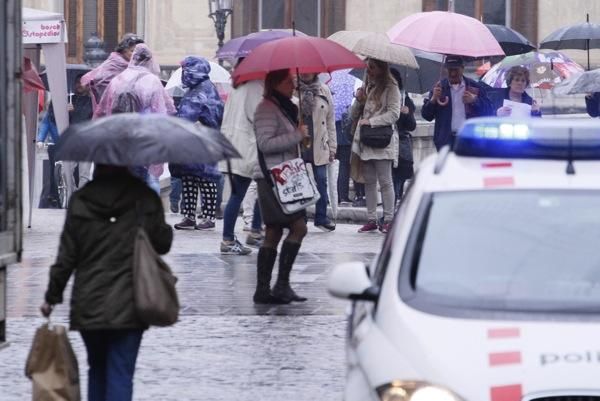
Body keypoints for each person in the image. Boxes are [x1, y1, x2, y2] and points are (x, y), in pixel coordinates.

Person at [40, 164, 173, 401]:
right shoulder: (143, 197)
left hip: (89, 302)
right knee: (121, 372)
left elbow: (67, 256)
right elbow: (163, 243)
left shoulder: (81, 200)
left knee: (97, 370)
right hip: (130, 303)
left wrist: (52, 296)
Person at [253, 69, 309, 304]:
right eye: (288, 82)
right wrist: (296, 136)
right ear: (275, 83)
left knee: (274, 231)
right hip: (272, 178)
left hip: (287, 177)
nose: (293, 85)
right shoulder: (266, 108)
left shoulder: (285, 106)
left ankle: (267, 289)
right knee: (298, 227)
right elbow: (265, 144)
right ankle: (278, 285)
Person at [95, 44, 175, 193]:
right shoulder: (152, 80)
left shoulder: (119, 79)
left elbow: (103, 107)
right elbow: (165, 109)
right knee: (151, 178)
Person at [170, 56, 224, 231]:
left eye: (187, 70)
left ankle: (209, 217)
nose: (184, 74)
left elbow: (215, 116)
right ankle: (189, 216)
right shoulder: (193, 90)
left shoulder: (207, 89)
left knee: (206, 179)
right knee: (188, 178)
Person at [218, 66, 265, 254]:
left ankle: (253, 231)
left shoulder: (236, 87)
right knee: (251, 191)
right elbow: (259, 117)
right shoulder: (254, 87)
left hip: (233, 145)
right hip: (247, 147)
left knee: (255, 190)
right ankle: (230, 239)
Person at [351, 58, 400, 234]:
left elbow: (394, 114)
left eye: (372, 67)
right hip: (366, 139)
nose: (369, 71)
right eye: (368, 67)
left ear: (381, 68)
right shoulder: (368, 87)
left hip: (382, 139)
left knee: (385, 181)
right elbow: (355, 113)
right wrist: (359, 100)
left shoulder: (391, 87)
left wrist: (371, 122)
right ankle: (371, 218)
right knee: (369, 181)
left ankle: (388, 218)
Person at [421, 55, 493, 150]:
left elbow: (489, 111)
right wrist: (433, 99)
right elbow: (427, 116)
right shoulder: (439, 88)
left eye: (456, 70)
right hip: (445, 142)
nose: (453, 73)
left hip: (469, 140)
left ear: (462, 69)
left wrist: (474, 101)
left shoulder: (475, 87)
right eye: (450, 70)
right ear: (446, 69)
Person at [298, 72, 337, 232]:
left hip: (319, 143)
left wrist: (333, 147)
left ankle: (321, 216)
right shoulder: (293, 90)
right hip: (300, 142)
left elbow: (330, 120)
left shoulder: (324, 90)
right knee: (299, 181)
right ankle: (299, 217)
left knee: (321, 180)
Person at [81, 33, 145, 111]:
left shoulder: (137, 67)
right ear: (124, 50)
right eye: (132, 51)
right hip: (111, 108)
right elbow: (96, 79)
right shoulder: (113, 63)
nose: (135, 55)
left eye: (138, 52)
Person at [327, 69, 356, 205]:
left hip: (330, 129)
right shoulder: (351, 78)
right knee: (344, 165)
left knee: (329, 166)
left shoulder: (329, 79)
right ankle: (342, 195)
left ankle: (330, 195)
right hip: (345, 130)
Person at [390, 68, 416, 203]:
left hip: (400, 146)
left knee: (398, 177)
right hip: (385, 142)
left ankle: (396, 204)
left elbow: (412, 126)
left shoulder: (405, 100)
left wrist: (406, 114)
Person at [68, 74, 94, 187]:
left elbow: (86, 118)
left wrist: (73, 111)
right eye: (77, 82)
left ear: (88, 85)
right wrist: (66, 112)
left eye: (82, 82)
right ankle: (71, 194)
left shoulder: (93, 101)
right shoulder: (69, 99)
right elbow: (54, 118)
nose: (79, 85)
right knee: (67, 170)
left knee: (84, 174)